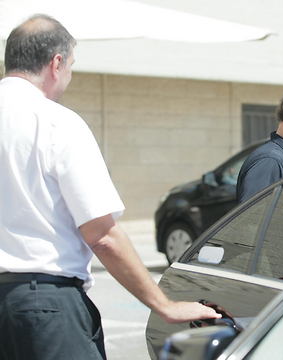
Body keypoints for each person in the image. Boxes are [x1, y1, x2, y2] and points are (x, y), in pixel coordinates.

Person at [0, 15, 218, 360]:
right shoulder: (57, 122)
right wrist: (165, 306)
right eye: (71, 65)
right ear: (56, 63)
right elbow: (102, 235)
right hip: (44, 307)